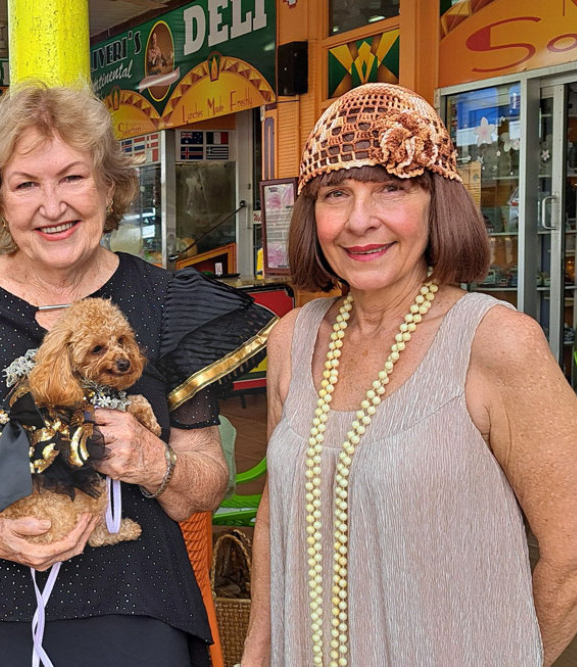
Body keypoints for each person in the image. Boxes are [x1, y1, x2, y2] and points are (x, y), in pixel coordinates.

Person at [0, 82, 277, 667]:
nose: (51, 205)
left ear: (109, 187)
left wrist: (152, 462)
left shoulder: (166, 301)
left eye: (72, 177)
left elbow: (204, 483)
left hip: (132, 599)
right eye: (26, 184)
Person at [240, 83, 577, 666]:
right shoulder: (294, 338)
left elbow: (570, 555)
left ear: (437, 203)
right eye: (335, 194)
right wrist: (256, 654)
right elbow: (277, 517)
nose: (358, 221)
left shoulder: (496, 342)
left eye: (391, 189)